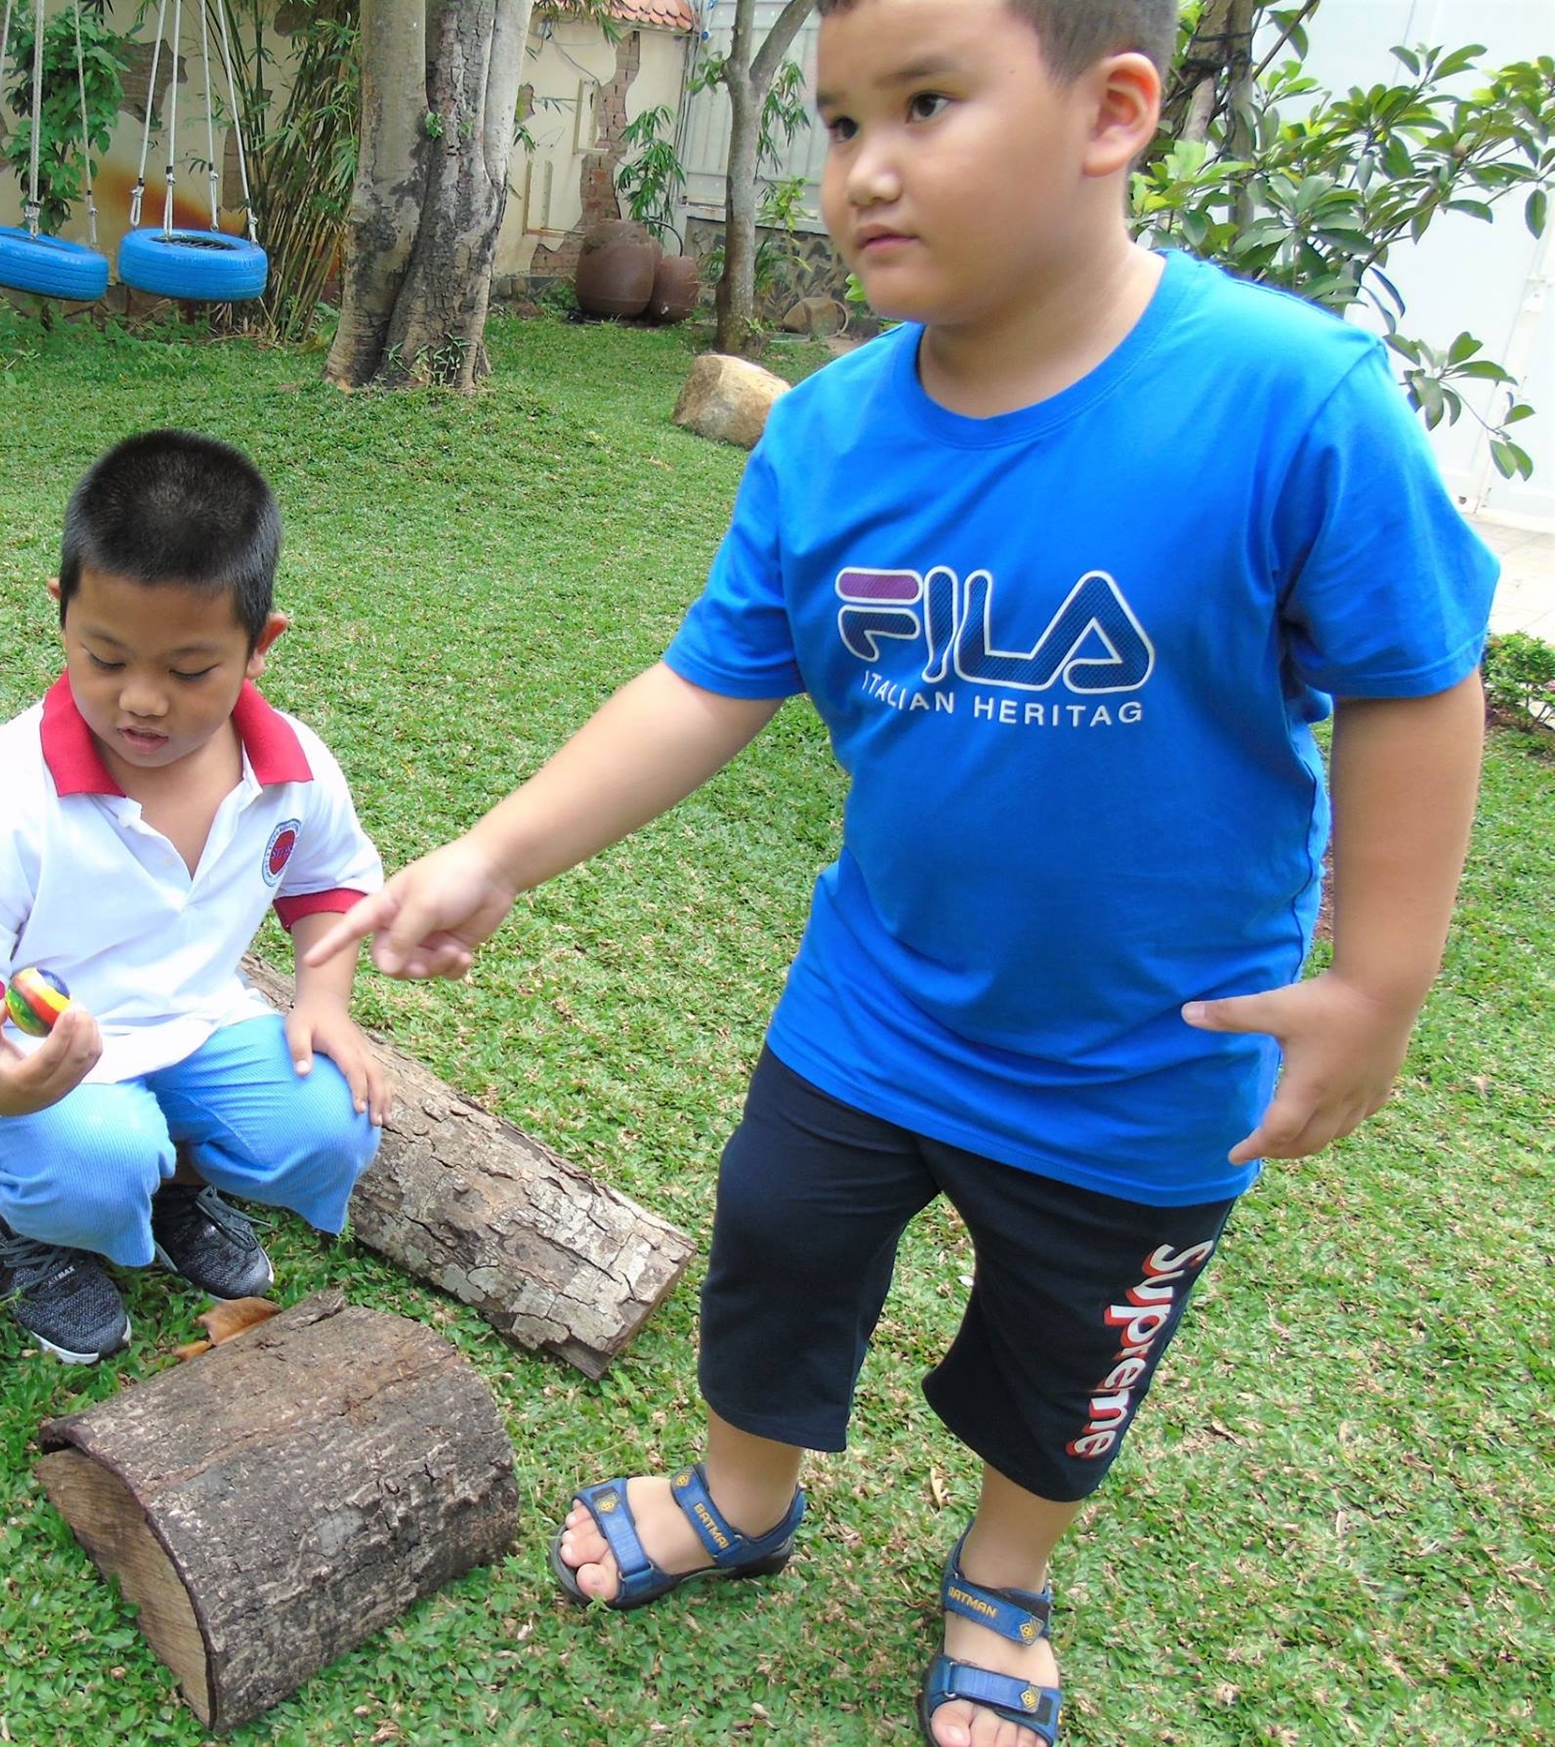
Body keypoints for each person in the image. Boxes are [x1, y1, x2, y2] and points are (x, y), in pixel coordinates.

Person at [303, 0, 1498, 1739]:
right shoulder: (833, 434)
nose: (862, 167)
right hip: (877, 1006)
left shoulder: (1289, 403)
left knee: (1070, 1359)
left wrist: (1379, 978)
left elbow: (1417, 680)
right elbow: (706, 681)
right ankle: (743, 1494)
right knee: (774, 1243)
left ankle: (1002, 1575)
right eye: (841, 117)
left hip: (1148, 1057)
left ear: (1113, 113)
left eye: (926, 104)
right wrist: (497, 852)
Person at [0, 429, 390, 1367]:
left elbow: (331, 884)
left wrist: (325, 1001)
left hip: (194, 1022)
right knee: (99, 1154)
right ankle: (12, 1215)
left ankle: (177, 1187)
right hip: (33, 1047)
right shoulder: (3, 791)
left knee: (333, 1123)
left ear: (260, 645)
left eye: (188, 670)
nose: (141, 700)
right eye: (105, 658)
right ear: (61, 614)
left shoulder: (294, 769)